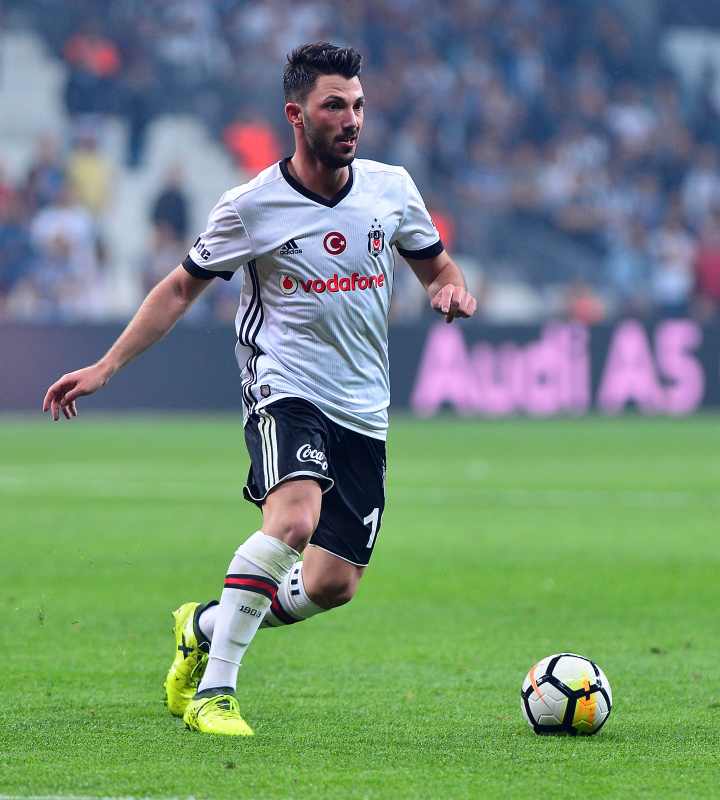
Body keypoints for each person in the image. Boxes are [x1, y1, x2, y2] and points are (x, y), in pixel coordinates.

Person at [43, 42, 476, 736]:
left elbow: (438, 267)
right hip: (284, 386)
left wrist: (449, 290)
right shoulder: (252, 205)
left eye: (358, 105)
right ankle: (214, 693)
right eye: (334, 105)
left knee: (333, 584)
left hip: (363, 405)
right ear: (296, 115)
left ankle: (202, 626)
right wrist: (106, 366)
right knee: (294, 521)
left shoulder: (391, 189)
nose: (351, 119)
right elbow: (180, 287)